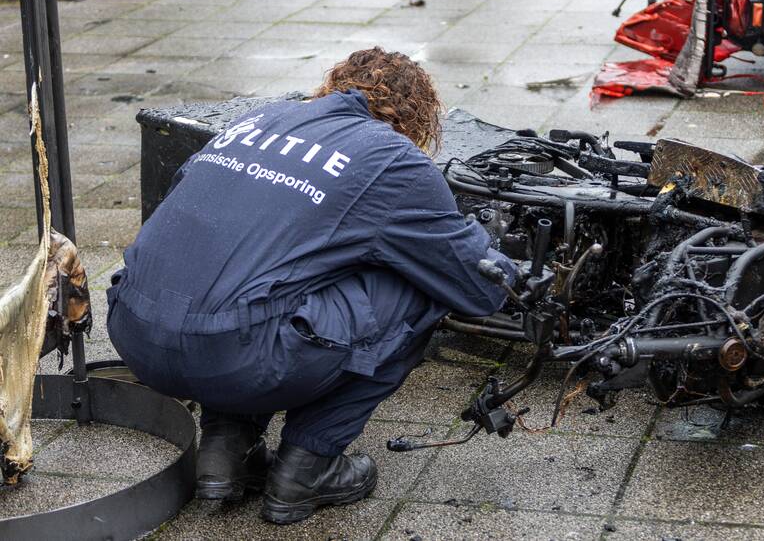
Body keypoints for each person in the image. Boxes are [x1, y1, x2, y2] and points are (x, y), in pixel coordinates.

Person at [107, 48, 517, 525]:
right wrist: (503, 259)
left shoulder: (256, 120)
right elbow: (477, 286)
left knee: (251, 272)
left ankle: (226, 446)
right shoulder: (391, 158)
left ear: (332, 86)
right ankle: (309, 467)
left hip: (134, 329)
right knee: (424, 285)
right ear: (417, 117)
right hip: (232, 358)